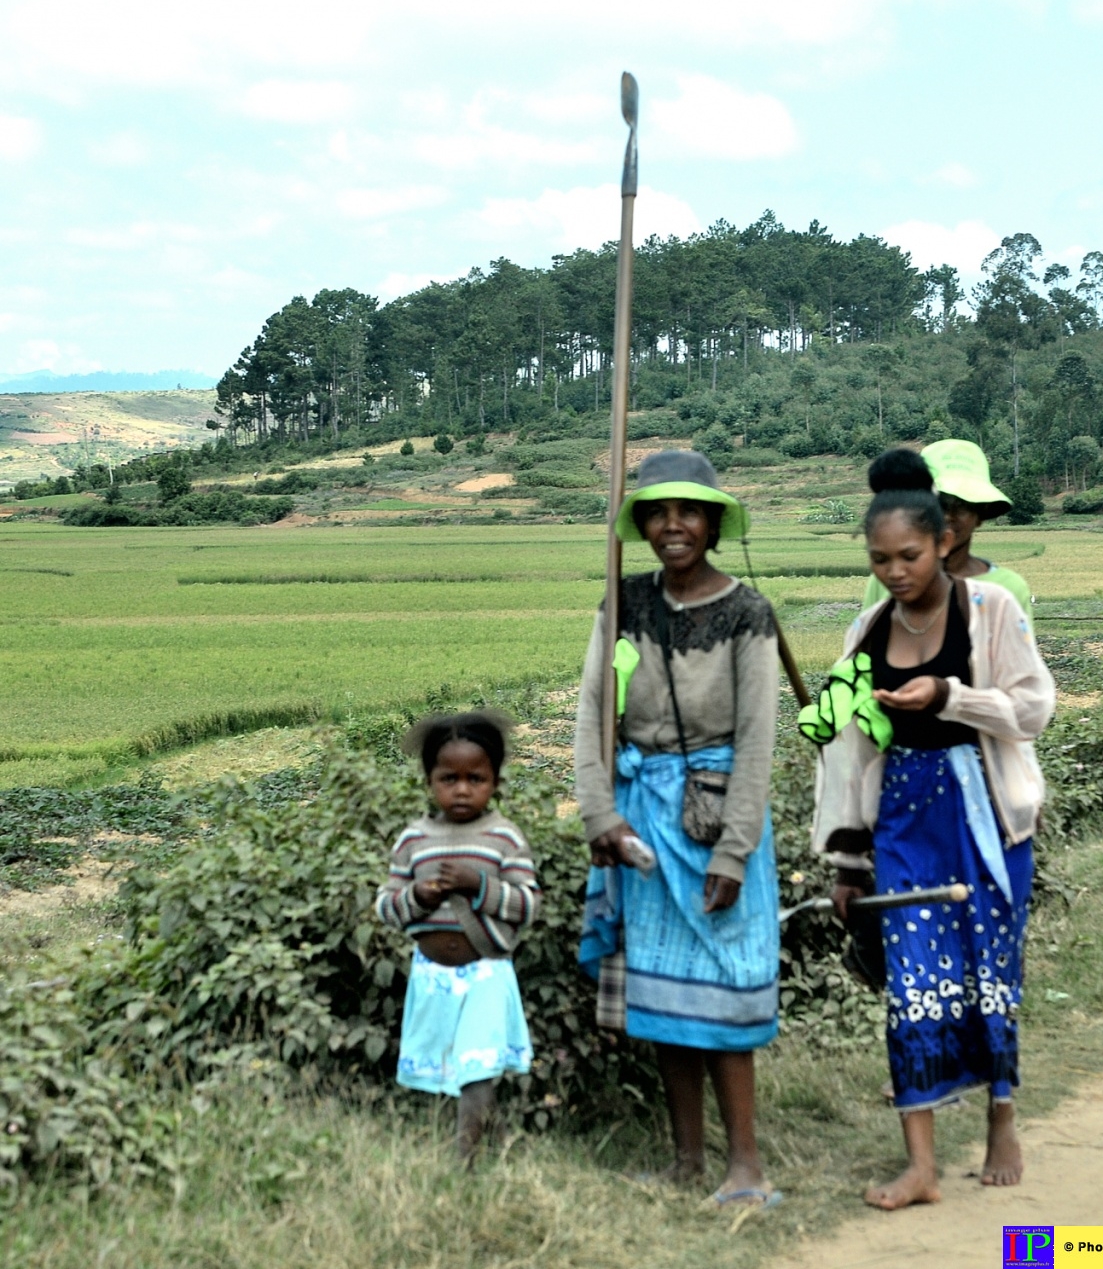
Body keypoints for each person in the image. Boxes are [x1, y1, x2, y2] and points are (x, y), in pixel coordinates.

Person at [813, 448, 1055, 1210]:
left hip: (986, 814)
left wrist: (951, 694)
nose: (894, 571)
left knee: (991, 968)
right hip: (904, 818)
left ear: (942, 543)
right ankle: (919, 1162)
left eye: (908, 555)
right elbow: (847, 750)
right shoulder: (865, 631)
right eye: (879, 558)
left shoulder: (993, 613)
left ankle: (1001, 1117)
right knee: (912, 978)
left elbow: (1032, 708)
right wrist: (847, 859)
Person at [573, 449, 782, 1209]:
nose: (672, 526)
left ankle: (746, 1163)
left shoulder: (746, 614)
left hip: (717, 818)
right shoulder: (621, 603)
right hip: (641, 822)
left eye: (688, 511)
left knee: (725, 996)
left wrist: (734, 847)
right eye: (658, 512)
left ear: (714, 521)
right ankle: (687, 1159)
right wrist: (600, 812)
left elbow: (759, 737)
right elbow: (593, 713)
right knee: (666, 1001)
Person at [375, 710, 538, 1163]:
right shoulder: (413, 841)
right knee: (454, 1068)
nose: (463, 789)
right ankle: (499, 1142)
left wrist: (478, 885)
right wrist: (418, 898)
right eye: (449, 778)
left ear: (495, 781)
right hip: (432, 977)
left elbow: (528, 905)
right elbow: (386, 907)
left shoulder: (504, 838)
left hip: (486, 973)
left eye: (476, 778)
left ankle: (463, 1162)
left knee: (476, 1071)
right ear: (429, 780)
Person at [862, 439, 1034, 627]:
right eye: (939, 504)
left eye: (961, 506)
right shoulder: (892, 580)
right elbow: (862, 652)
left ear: (980, 514)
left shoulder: (1007, 589)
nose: (947, 516)